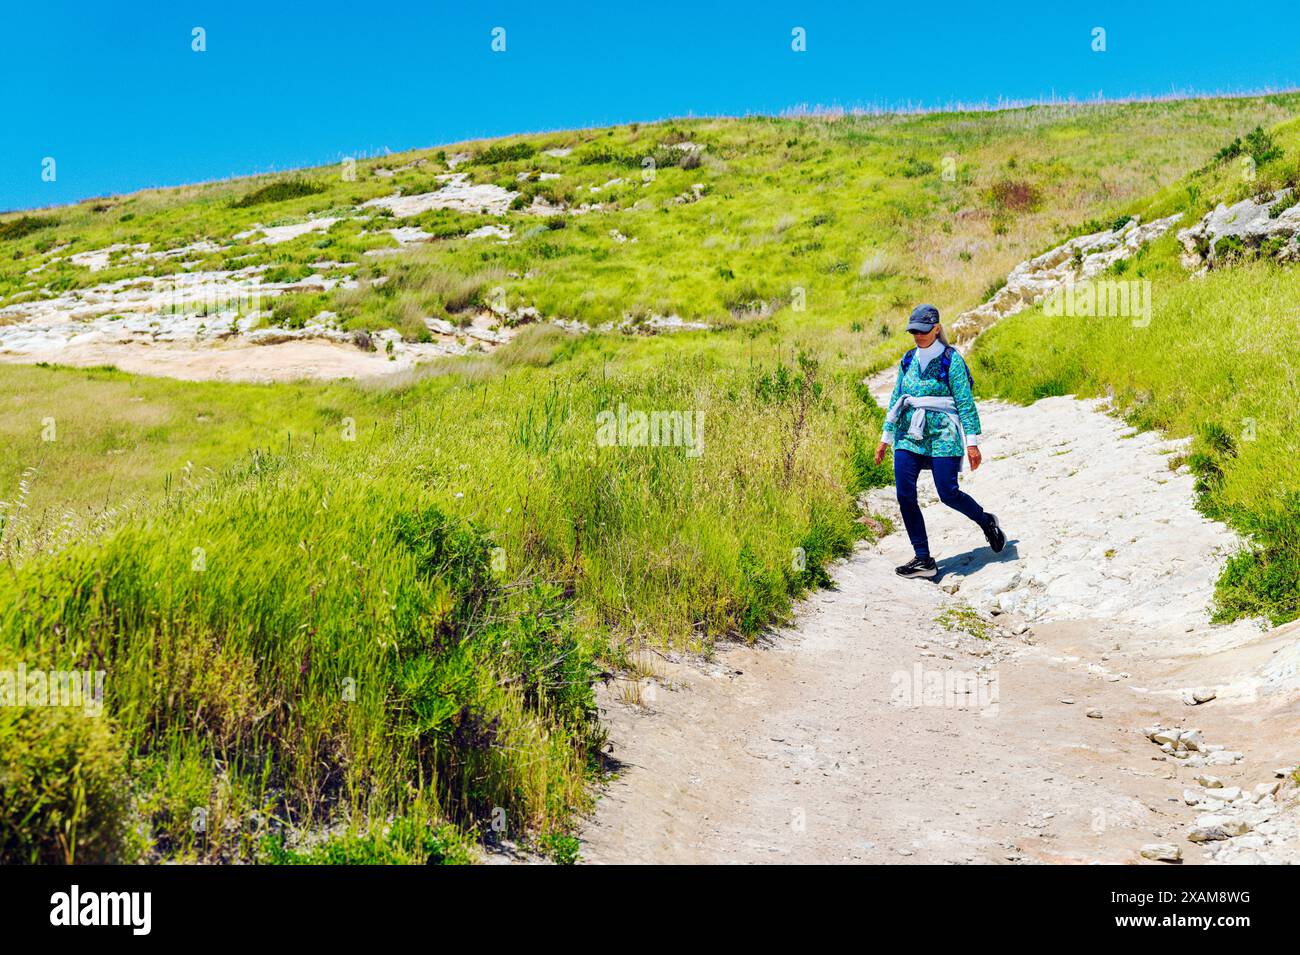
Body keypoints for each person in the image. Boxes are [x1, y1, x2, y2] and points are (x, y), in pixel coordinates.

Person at [873, 304, 1006, 579]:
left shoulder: (951, 360)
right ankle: (923, 559)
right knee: (904, 494)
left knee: (948, 493)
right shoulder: (907, 360)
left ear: (936, 328)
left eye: (923, 331)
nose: (918, 336)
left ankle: (986, 521)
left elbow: (965, 403)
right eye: (913, 331)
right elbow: (896, 398)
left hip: (944, 432)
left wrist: (972, 442)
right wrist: (885, 438)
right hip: (909, 432)